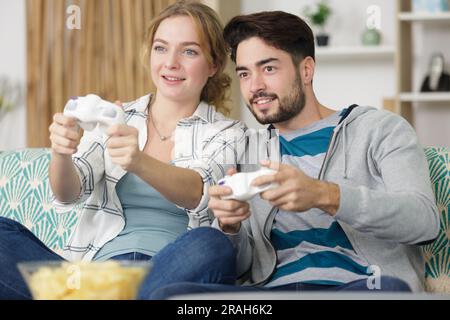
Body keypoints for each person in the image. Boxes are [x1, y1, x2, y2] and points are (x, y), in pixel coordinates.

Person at [136, 10, 440, 299]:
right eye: (244, 74)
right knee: (173, 297)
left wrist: (326, 196)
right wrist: (230, 227)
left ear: (306, 70)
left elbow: (423, 220)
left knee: (389, 293)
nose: (255, 86)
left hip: (359, 290)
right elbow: (241, 266)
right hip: (268, 300)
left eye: (269, 68)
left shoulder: (378, 129)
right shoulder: (247, 147)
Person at [0, 1, 246, 299]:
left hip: (168, 273)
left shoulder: (226, 132)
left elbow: (200, 192)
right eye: (161, 48)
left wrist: (139, 161)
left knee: (211, 244)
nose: (171, 62)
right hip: (94, 275)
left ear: (213, 64)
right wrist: (61, 151)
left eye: (189, 51)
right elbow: (68, 193)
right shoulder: (116, 116)